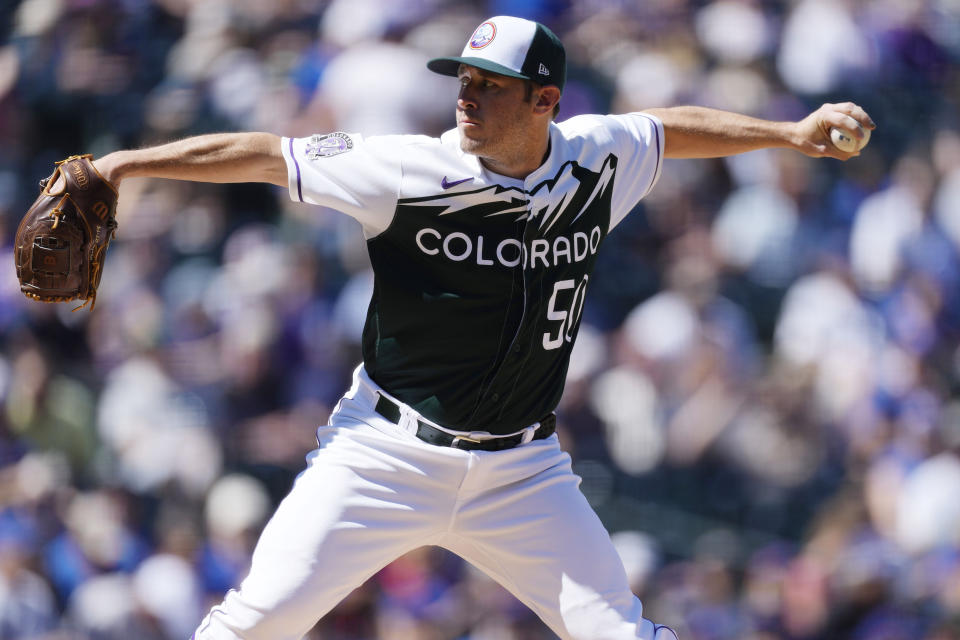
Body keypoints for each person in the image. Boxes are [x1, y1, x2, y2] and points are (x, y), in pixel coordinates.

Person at [88, 15, 874, 640]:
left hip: (523, 474)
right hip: (384, 454)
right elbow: (265, 153)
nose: (466, 96)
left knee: (621, 634)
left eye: (490, 85)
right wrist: (124, 166)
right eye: (463, 78)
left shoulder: (597, 158)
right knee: (256, 624)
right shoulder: (407, 169)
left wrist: (787, 133)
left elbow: (670, 127)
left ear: (545, 101)